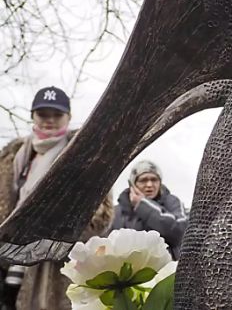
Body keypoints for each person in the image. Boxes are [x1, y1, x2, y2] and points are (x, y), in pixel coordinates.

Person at [0, 86, 113, 310]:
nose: (49, 120)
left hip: (58, 270)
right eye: (43, 114)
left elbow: (100, 216)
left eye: (56, 114)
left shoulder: (86, 154)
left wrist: (50, 233)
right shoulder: (12, 158)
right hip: (8, 268)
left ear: (68, 117)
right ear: (33, 115)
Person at [111, 160, 188, 259]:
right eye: (143, 180)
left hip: (167, 270)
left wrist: (143, 205)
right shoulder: (116, 212)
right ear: (133, 184)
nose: (149, 185)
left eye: (154, 180)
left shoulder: (172, 202)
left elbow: (179, 232)